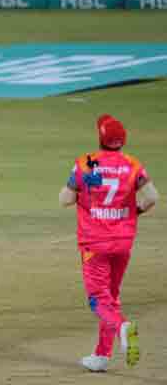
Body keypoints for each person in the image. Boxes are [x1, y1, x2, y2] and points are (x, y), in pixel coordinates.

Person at [59, 115, 159, 372]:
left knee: (97, 299)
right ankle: (101, 355)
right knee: (110, 296)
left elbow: (66, 199)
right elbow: (152, 198)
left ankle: (122, 327)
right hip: (123, 242)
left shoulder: (86, 163)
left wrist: (83, 192)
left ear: (100, 138)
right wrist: (132, 211)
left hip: (95, 243)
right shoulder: (132, 165)